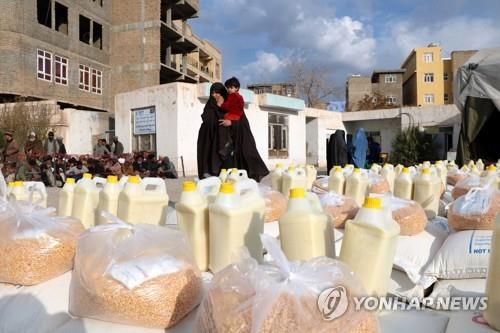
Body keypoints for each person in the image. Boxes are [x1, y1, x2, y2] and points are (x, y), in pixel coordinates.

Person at [220, 77, 269, 181]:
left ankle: (257, 174)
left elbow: (238, 118)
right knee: (241, 154)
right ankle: (248, 177)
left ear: (237, 88)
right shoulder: (232, 98)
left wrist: (231, 122)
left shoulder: (235, 99)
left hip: (243, 131)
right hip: (237, 133)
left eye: (231, 87)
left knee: (248, 152)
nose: (229, 90)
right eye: (227, 88)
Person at [197, 82, 233, 179]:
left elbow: (237, 120)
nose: (214, 95)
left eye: (217, 92)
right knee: (211, 174)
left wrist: (230, 122)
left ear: (222, 93)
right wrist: (217, 105)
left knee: (227, 174)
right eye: (212, 93)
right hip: (209, 143)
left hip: (225, 144)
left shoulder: (229, 105)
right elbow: (207, 119)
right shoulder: (209, 106)